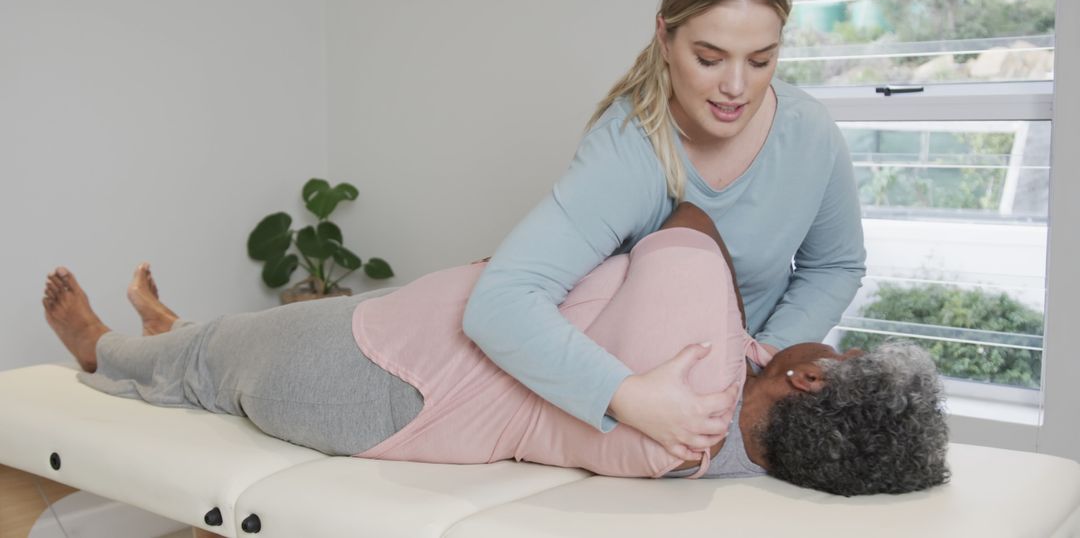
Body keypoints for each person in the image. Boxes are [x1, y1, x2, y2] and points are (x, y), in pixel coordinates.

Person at [42, 204, 947, 496]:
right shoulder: (734, 459)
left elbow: (689, 213)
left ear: (815, 376)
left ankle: (106, 350)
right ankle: (167, 331)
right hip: (405, 382)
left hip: (369, 369)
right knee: (214, 352)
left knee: (217, 357)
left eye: (841, 350)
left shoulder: (702, 349)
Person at [462, 0, 867, 463]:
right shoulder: (628, 150)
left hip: (740, 401)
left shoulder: (810, 134)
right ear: (665, 37)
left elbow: (835, 266)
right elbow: (500, 303)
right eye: (709, 59)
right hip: (640, 409)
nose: (736, 87)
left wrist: (761, 356)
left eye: (761, 61)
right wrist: (630, 397)